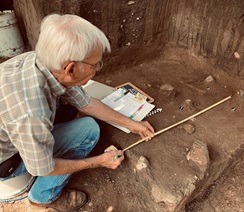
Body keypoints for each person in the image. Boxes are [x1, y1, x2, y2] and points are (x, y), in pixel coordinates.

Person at [0, 14, 155, 211]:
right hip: (5, 160)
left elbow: (86, 102)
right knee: (88, 131)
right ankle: (42, 197)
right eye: (96, 64)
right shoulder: (32, 114)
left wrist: (132, 124)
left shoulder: (38, 62)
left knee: (71, 110)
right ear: (71, 68)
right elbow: (44, 168)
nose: (98, 68)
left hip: (10, 133)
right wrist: (97, 162)